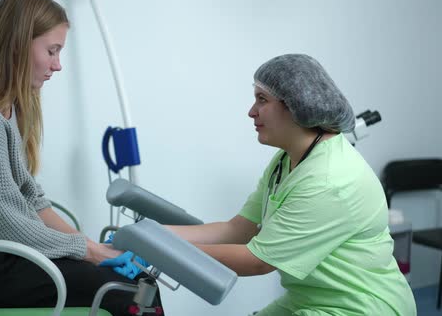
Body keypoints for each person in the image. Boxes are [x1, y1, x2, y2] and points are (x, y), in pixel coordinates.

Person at [0, 0, 161, 315]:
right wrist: (89, 252)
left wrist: (94, 247)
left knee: (140, 282)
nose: (58, 65)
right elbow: (7, 221)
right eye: (52, 50)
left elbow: (31, 200)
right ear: (18, 44)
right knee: (128, 290)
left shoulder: (6, 109)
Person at [167, 54, 417, 315]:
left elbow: (257, 262)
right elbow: (238, 229)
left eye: (262, 100)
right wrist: (149, 234)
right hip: (310, 298)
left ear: (297, 105)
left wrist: (160, 251)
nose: (251, 111)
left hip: (359, 306)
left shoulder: (329, 180)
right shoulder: (287, 159)